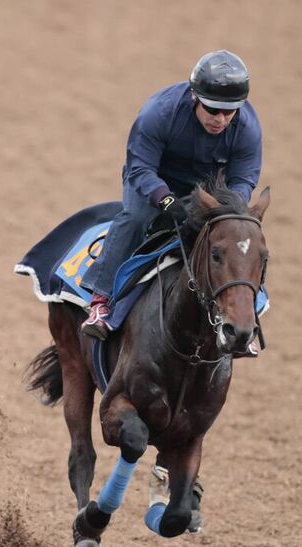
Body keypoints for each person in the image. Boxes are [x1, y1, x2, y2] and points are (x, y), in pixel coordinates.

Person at [81, 50, 262, 342]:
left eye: (229, 112)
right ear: (194, 97)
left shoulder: (248, 129)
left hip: (207, 192)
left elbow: (243, 180)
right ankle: (100, 302)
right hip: (154, 182)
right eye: (212, 109)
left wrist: (227, 210)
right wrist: (166, 201)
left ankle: (247, 316)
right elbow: (141, 168)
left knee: (239, 237)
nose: (220, 119)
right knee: (136, 218)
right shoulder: (159, 112)